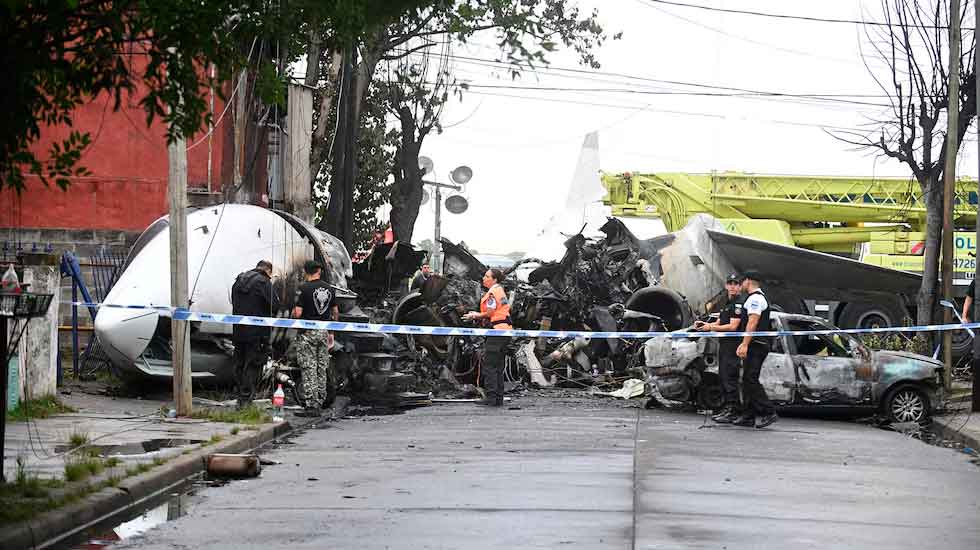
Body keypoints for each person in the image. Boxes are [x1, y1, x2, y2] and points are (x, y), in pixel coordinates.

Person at [694, 273, 744, 423]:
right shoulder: (727, 302)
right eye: (730, 283)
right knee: (723, 377)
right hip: (725, 345)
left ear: (740, 286)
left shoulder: (738, 303)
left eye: (736, 284)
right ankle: (727, 408)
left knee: (730, 378)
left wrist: (710, 327)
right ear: (726, 285)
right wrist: (706, 325)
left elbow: (733, 326)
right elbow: (721, 322)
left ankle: (733, 410)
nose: (733, 286)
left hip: (733, 346)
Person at [292, 260, 339, 417]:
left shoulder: (303, 288)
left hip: (307, 333)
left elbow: (298, 313)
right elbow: (335, 313)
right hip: (324, 332)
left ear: (306, 272)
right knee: (321, 367)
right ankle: (321, 401)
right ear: (319, 270)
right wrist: (332, 332)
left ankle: (311, 405)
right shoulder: (330, 289)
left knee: (308, 367)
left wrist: (292, 314)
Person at [734, 270, 778, 428]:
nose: (741, 284)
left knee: (750, 379)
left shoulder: (756, 299)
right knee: (746, 379)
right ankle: (748, 416)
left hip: (756, 344)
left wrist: (745, 343)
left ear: (748, 281)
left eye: (742, 281)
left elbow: (752, 322)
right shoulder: (754, 298)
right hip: (754, 343)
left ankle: (768, 411)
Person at [463, 268, 512, 407]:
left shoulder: (492, 293)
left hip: (497, 332)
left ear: (494, 279)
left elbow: (490, 312)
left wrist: (475, 315)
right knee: (497, 366)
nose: (484, 278)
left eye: (487, 276)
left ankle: (491, 398)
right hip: (505, 331)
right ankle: (498, 398)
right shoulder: (500, 291)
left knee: (490, 365)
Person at [231, 260, 276, 408]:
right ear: (268, 271)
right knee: (253, 364)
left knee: (240, 363)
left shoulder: (238, 280)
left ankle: (239, 397)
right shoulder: (264, 283)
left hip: (238, 331)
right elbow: (274, 305)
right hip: (258, 333)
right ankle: (246, 401)